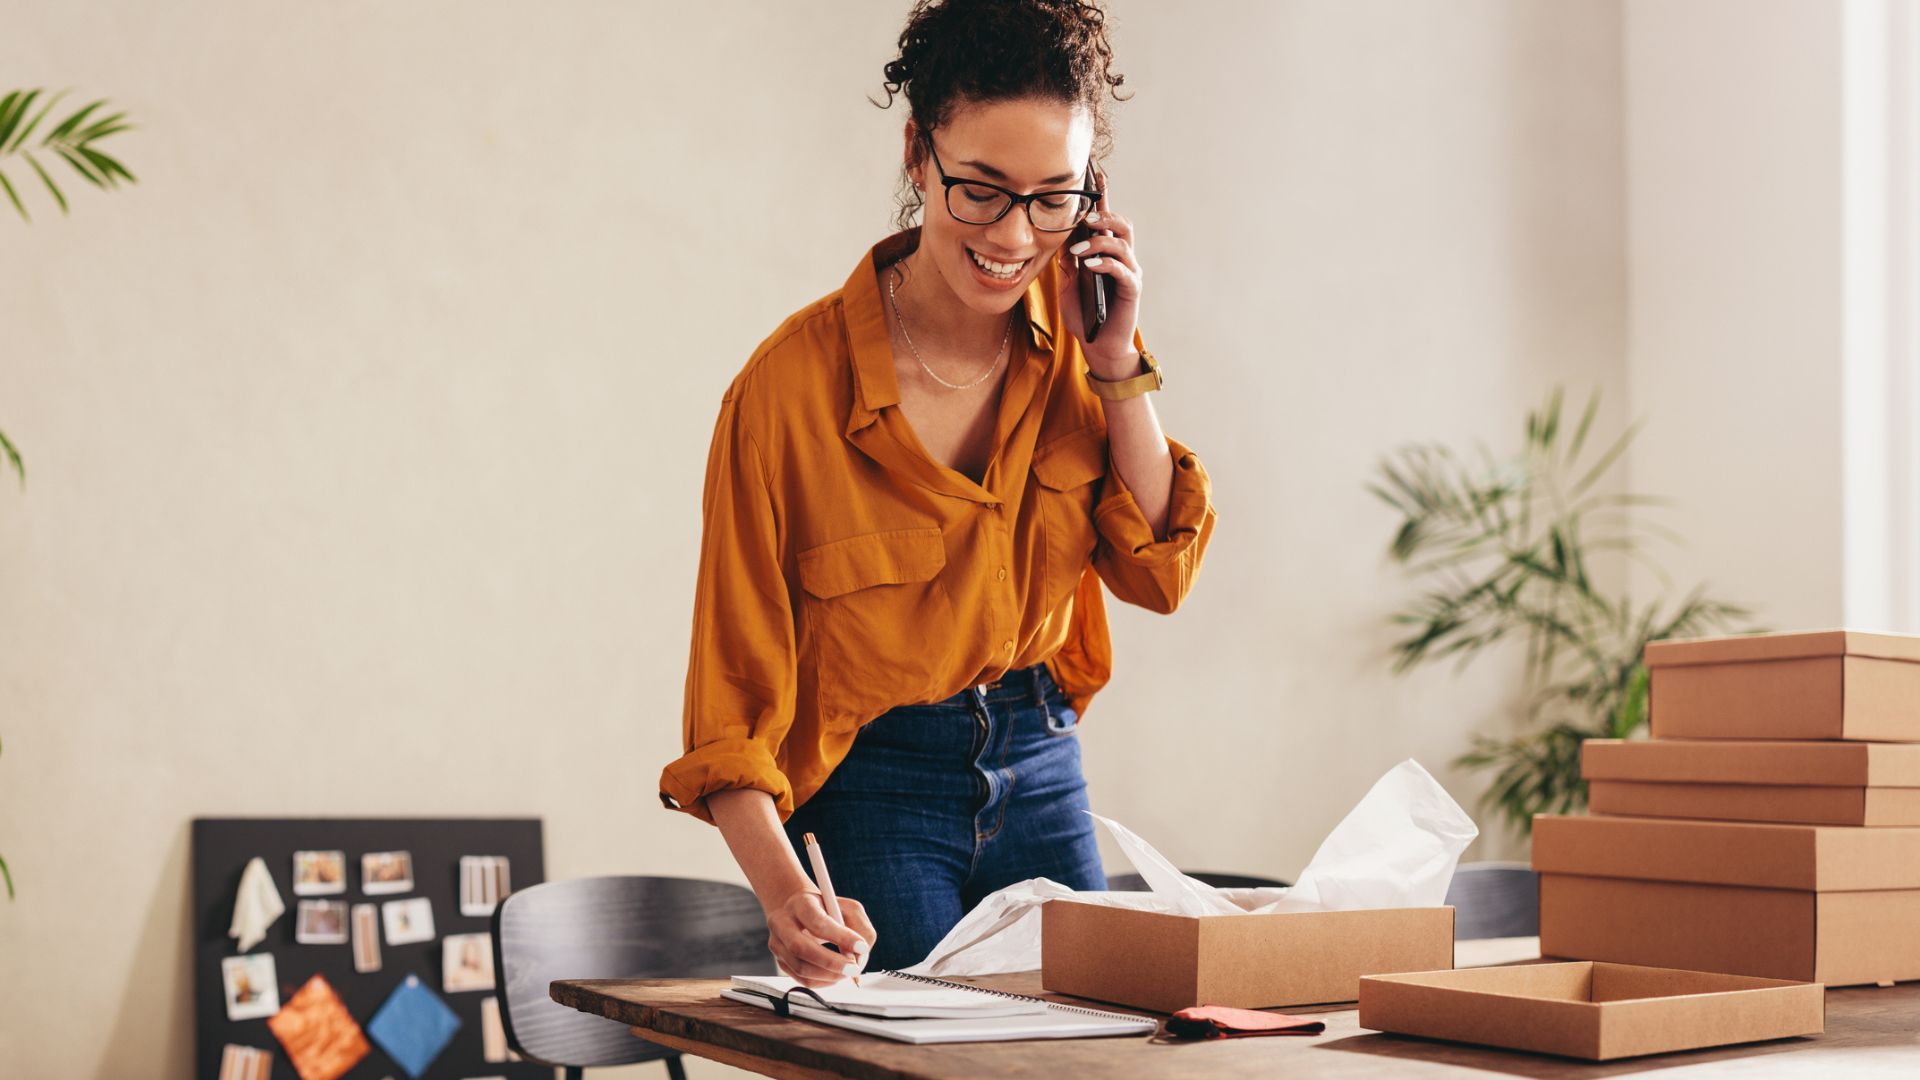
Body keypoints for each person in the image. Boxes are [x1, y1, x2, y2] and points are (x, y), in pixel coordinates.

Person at [658, 0, 1216, 985]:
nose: (1015, 235)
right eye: (981, 191)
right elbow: (730, 710)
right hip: (878, 784)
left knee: (1096, 1051)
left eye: (1055, 198)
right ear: (919, 154)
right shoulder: (787, 394)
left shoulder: (1080, 344)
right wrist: (790, 898)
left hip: (1040, 757)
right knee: (936, 1061)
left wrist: (1119, 358)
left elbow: (1159, 569)